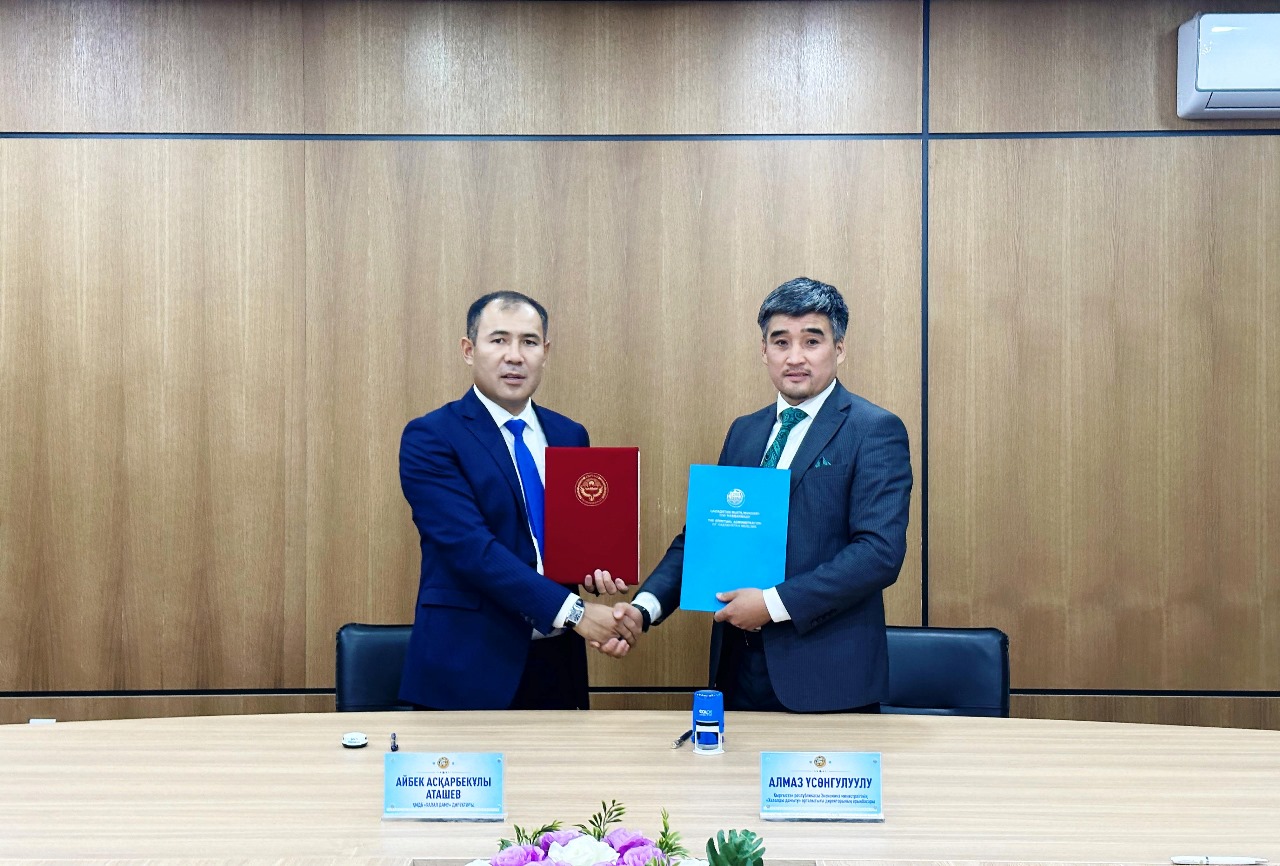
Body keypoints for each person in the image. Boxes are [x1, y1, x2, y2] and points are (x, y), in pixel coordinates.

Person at [614, 277, 912, 713]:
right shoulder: (745, 431)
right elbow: (705, 536)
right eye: (781, 342)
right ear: (764, 350)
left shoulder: (873, 429)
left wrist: (773, 604)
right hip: (738, 668)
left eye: (812, 341)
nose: (795, 357)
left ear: (839, 348)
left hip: (825, 676)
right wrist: (644, 608)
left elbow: (879, 553)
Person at [398, 290, 636, 710]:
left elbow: (569, 541)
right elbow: (472, 550)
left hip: (557, 663)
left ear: (545, 352)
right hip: (467, 667)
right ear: (468, 350)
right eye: (498, 340)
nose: (514, 356)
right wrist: (578, 613)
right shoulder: (431, 436)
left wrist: (594, 569)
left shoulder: (569, 435)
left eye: (529, 342)